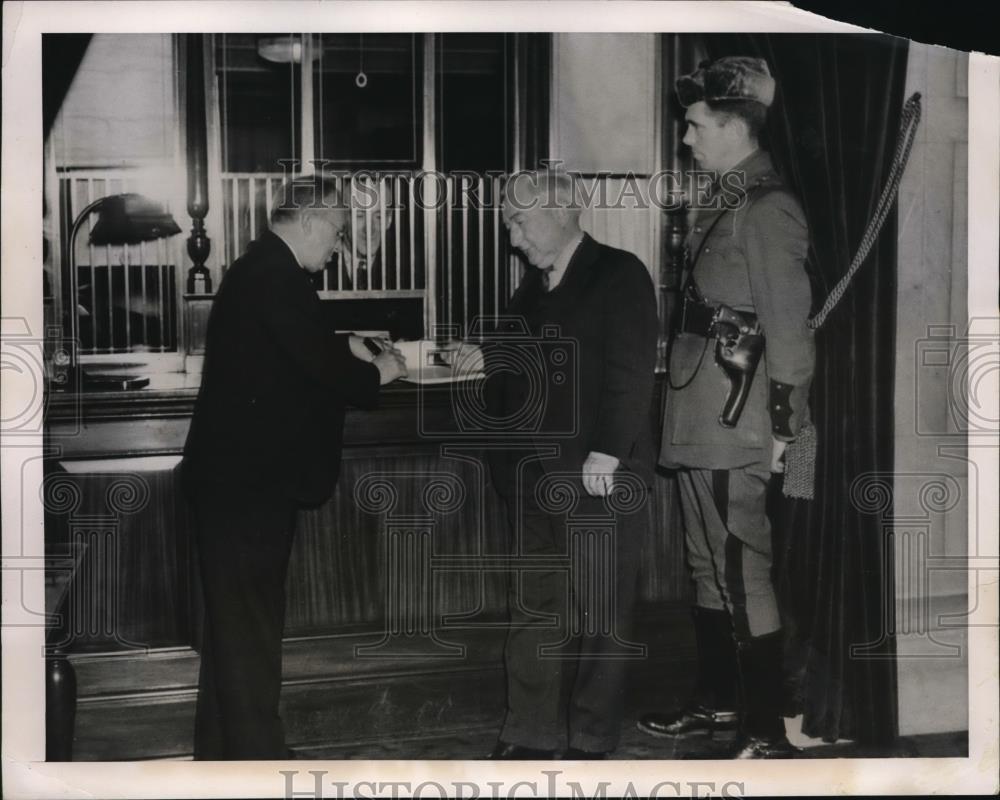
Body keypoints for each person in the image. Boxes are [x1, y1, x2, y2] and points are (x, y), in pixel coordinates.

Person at [181, 175, 407, 760]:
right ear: (307, 223)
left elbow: (294, 349)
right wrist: (376, 373)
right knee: (251, 629)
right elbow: (312, 365)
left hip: (233, 483)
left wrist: (342, 347)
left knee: (234, 629)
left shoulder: (264, 269)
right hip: (248, 488)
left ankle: (224, 755)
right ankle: (259, 762)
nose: (337, 246)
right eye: (335, 232)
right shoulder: (276, 277)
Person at [637, 56, 814, 758]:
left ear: (736, 128)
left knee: (742, 568)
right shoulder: (724, 199)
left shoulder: (769, 210)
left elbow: (791, 335)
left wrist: (785, 429)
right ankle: (716, 703)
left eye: (696, 125)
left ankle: (767, 731)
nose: (686, 138)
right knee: (708, 562)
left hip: (735, 418)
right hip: (697, 410)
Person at [482, 171, 659, 759]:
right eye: (509, 221)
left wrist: (608, 450)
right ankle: (527, 733)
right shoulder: (533, 287)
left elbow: (631, 370)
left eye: (519, 220)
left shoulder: (619, 272)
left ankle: (589, 739)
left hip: (595, 473)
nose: (512, 236)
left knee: (601, 611)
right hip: (532, 476)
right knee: (536, 606)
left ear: (562, 211)